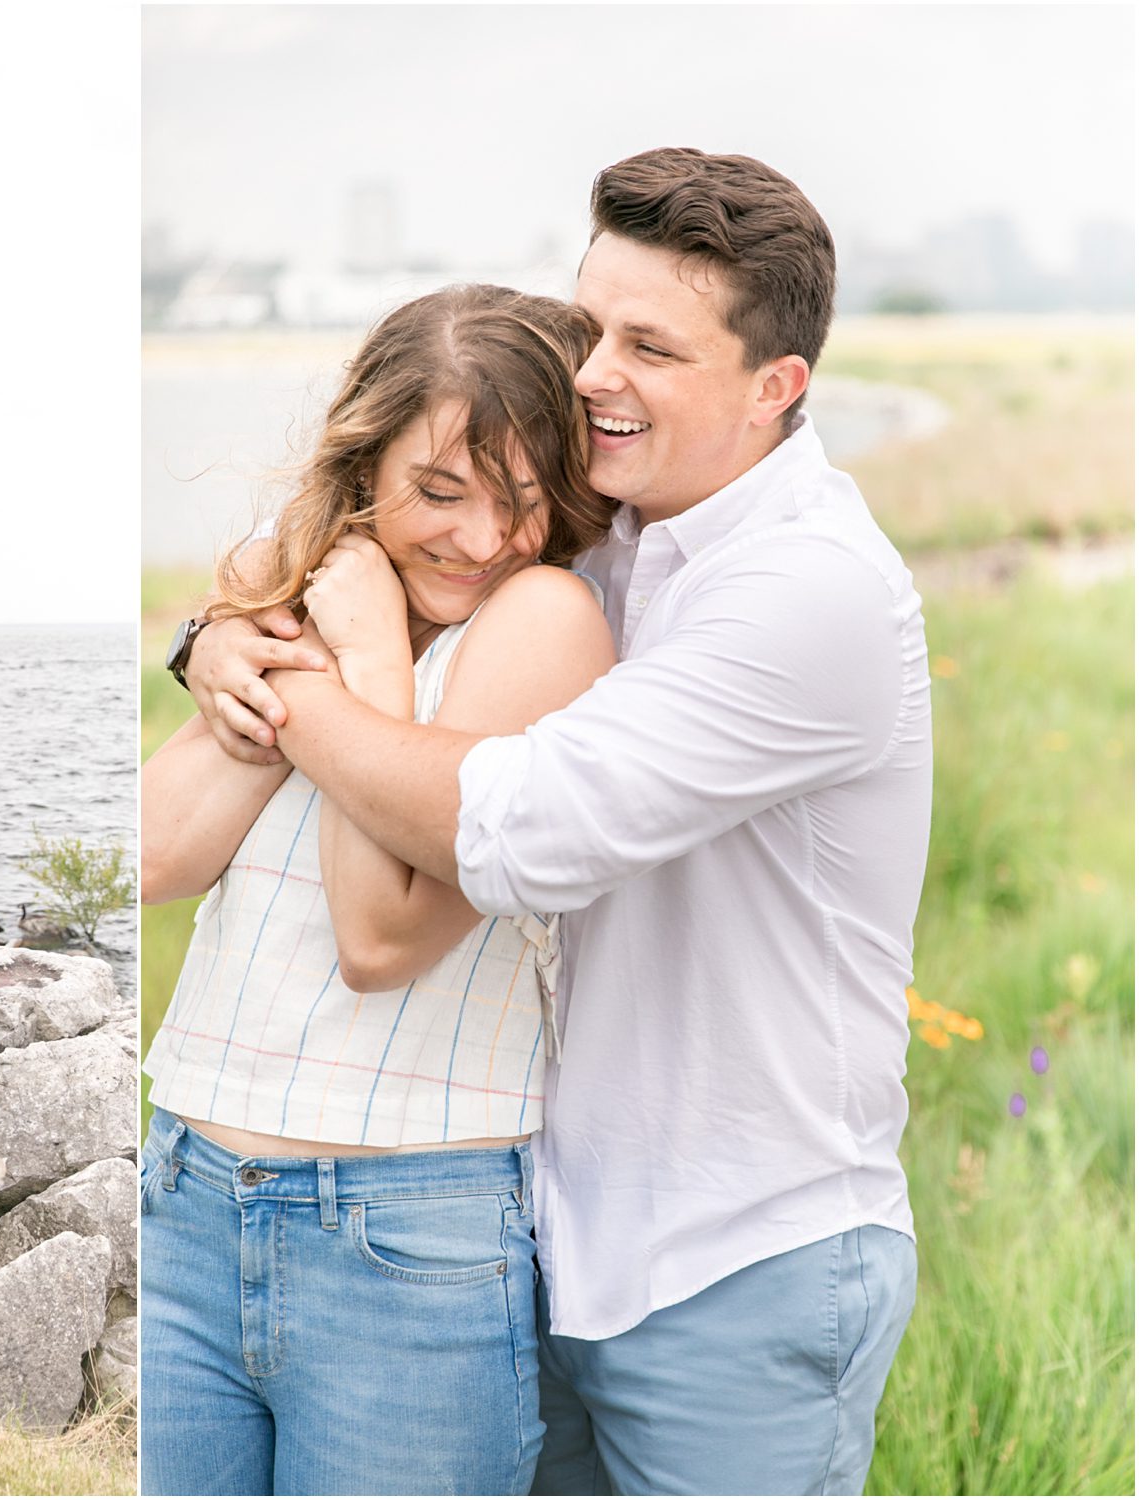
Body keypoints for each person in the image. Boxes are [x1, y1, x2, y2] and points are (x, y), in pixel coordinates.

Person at [180, 148, 930, 1495]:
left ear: (777, 387)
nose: (594, 375)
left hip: (737, 1263)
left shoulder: (810, 592)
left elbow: (504, 827)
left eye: (651, 345)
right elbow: (400, 551)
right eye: (593, 328)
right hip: (547, 1236)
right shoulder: (609, 528)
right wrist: (214, 637)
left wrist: (317, 660)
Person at [140, 283, 619, 1496]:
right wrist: (231, 647)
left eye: (523, 503)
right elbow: (152, 855)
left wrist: (358, 666)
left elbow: (379, 933)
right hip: (187, 1187)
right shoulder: (314, 594)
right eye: (439, 491)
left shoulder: (542, 624)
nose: (481, 540)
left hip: (407, 1231)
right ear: (362, 466)